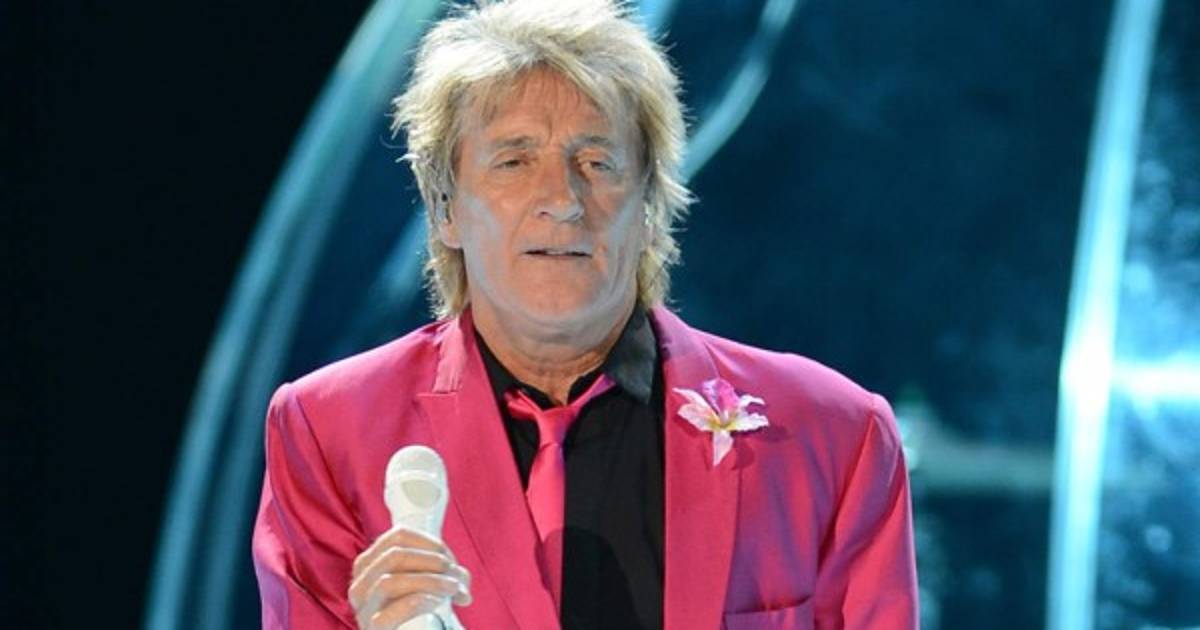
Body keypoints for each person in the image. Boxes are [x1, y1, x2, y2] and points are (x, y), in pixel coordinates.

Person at [251, 1, 919, 628]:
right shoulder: (328, 432)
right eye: (514, 161)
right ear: (444, 206)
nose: (562, 199)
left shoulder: (835, 435)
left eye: (597, 163)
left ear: (651, 206)